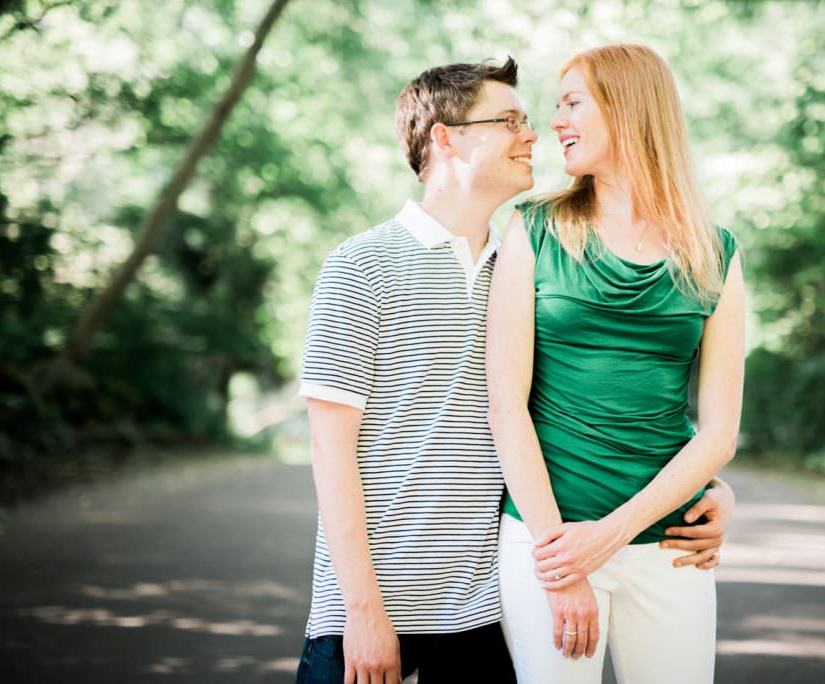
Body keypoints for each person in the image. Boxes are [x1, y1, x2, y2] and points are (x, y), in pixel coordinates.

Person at [294, 56, 734, 684]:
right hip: (369, 612)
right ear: (446, 138)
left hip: (478, 616)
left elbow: (591, 392)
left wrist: (707, 487)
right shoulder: (362, 265)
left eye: (534, 118)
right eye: (510, 122)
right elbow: (328, 448)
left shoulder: (518, 265)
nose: (536, 134)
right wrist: (362, 611)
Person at [487, 44, 745, 684]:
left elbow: (719, 434)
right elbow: (506, 407)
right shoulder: (533, 228)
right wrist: (562, 559)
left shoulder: (715, 251)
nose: (555, 122)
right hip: (547, 539)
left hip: (670, 545)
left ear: (628, 109)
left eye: (572, 104)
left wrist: (613, 534)